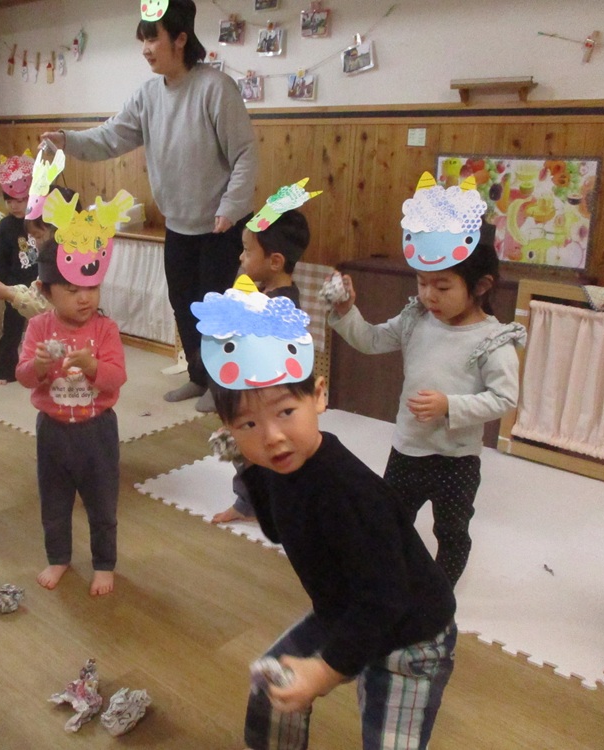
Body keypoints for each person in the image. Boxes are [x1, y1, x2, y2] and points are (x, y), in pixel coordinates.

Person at [192, 282, 456, 750]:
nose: (272, 437)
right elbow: (279, 529)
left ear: (318, 395)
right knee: (272, 686)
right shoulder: (275, 463)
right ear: (229, 428)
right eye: (248, 424)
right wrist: (247, 467)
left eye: (285, 412)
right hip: (346, 611)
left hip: (412, 634)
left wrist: (326, 669)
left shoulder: (347, 491)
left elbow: (386, 598)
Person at [41, 0, 257, 412]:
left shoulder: (215, 88)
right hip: (179, 224)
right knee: (183, 304)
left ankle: (223, 387)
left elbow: (245, 154)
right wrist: (66, 140)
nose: (145, 49)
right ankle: (198, 377)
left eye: (152, 39)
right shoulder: (148, 96)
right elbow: (109, 137)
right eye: (142, 39)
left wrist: (231, 207)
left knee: (217, 310)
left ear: (180, 39)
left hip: (221, 225)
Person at [328, 173, 525, 586]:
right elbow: (371, 340)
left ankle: (438, 593)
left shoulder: (492, 340)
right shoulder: (416, 318)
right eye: (421, 282)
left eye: (443, 286)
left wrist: (450, 406)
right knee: (390, 521)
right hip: (408, 449)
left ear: (481, 286)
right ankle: (387, 581)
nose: (429, 295)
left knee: (451, 531)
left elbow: (505, 399)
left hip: (457, 459)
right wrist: (347, 311)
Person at [15, 241, 127, 597]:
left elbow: (116, 377)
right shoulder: (38, 327)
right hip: (53, 430)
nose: (84, 298)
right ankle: (58, 557)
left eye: (92, 287)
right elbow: (23, 376)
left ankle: (104, 563)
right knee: (54, 504)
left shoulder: (105, 328)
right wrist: (38, 366)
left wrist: (93, 366)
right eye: (72, 290)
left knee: (102, 504)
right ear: (45, 290)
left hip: (98, 430)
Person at [210, 186, 315, 524]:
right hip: (256, 396)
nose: (241, 259)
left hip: (265, 398)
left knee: (262, 456)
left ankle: (262, 508)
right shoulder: (267, 293)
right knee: (251, 454)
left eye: (246, 251)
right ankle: (253, 504)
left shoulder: (279, 305)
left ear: (275, 261)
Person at [0, 186, 81, 320]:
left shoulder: (71, 265)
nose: (35, 243)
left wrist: (10, 294)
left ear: (60, 231)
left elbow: (48, 309)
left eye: (38, 236)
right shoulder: (49, 262)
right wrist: (7, 290)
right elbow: (35, 293)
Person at [0, 151, 37, 384]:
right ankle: (4, 369)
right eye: (10, 201)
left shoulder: (40, 221)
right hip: (14, 287)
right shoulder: (5, 227)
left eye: (20, 200)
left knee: (46, 327)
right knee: (12, 329)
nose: (15, 206)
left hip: (41, 285)